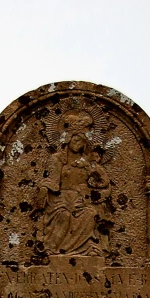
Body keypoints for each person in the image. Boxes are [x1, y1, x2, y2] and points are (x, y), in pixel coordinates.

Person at [36, 109, 110, 258]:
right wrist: (44, 188)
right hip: (60, 199)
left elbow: (104, 182)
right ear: (68, 139)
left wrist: (89, 194)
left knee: (90, 214)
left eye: (82, 141)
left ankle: (84, 249)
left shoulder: (88, 162)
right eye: (75, 140)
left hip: (81, 200)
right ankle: (53, 248)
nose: (78, 144)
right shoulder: (57, 159)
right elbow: (53, 182)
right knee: (64, 215)